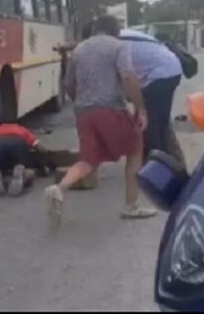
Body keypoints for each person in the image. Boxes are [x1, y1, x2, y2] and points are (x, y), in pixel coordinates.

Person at [44, 15, 157, 223]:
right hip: (111, 109)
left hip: (84, 114)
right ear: (115, 30)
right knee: (135, 149)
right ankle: (131, 206)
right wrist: (141, 109)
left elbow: (68, 84)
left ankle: (58, 188)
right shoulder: (118, 46)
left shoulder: (78, 50)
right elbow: (128, 77)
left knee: (89, 160)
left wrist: (83, 101)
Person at [119, 28, 183, 162]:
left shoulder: (118, 43)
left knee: (150, 125)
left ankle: (157, 164)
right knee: (159, 123)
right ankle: (168, 160)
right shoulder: (122, 36)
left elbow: (127, 77)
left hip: (161, 75)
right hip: (168, 70)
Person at [0, 122, 51, 196]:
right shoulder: (22, 130)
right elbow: (42, 149)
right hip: (18, 143)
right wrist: (44, 166)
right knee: (22, 166)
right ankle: (21, 173)